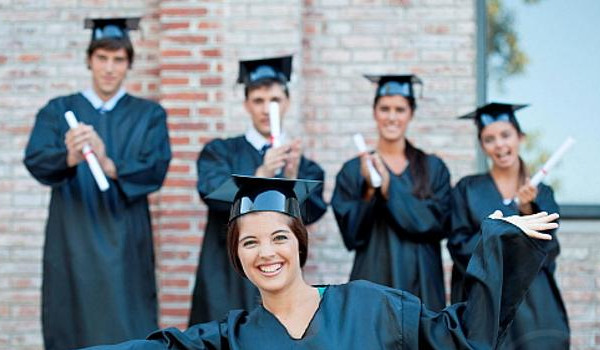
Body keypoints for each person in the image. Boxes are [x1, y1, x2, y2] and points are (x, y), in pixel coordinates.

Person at [85, 175, 559, 349]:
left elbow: (465, 336)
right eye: (248, 243)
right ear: (237, 256)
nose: (265, 253)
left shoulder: (375, 309)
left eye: (277, 237)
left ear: (299, 244)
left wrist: (499, 246)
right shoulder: (229, 340)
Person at [23, 17, 171, 350]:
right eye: (102, 58)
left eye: (118, 60)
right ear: (89, 60)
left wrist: (107, 164)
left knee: (128, 320)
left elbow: (156, 168)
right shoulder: (59, 110)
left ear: (129, 64)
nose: (109, 68)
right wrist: (70, 156)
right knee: (71, 318)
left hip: (127, 236)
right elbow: (36, 160)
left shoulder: (149, 115)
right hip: (72, 233)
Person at [189, 56, 327, 325]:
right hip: (225, 272)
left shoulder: (304, 166)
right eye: (258, 101)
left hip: (277, 272)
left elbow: (311, 216)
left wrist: (291, 177)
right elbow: (212, 194)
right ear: (246, 105)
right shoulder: (220, 152)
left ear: (287, 103)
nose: (267, 109)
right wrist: (262, 174)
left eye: (274, 100)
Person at [448, 102, 570, 349]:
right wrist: (509, 222)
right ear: (482, 146)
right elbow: (459, 246)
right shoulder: (467, 189)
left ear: (520, 137)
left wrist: (527, 210)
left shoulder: (541, 193)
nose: (500, 145)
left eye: (506, 135)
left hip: (535, 305)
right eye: (489, 139)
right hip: (487, 305)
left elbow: (546, 247)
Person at [331, 75, 451, 311]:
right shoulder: (353, 170)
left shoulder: (433, 168)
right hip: (371, 285)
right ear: (374, 112)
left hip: (423, 288)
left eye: (400, 109)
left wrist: (389, 189)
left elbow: (438, 224)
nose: (392, 117)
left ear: (411, 113)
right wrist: (369, 190)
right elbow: (352, 236)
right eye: (385, 109)